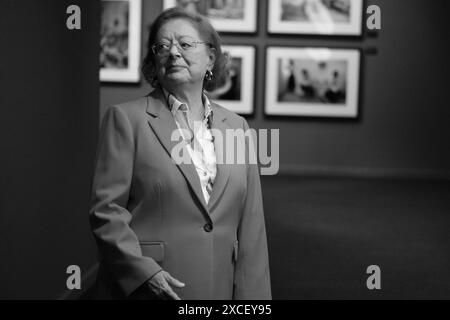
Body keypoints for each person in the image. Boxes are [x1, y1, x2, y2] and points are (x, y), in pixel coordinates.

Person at [89, 7, 271, 300]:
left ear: (211, 57)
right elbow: (106, 211)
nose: (173, 53)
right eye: (162, 47)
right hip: (152, 290)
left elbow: (252, 228)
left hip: (218, 288)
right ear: (154, 61)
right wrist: (144, 273)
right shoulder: (125, 119)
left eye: (185, 44)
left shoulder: (238, 126)